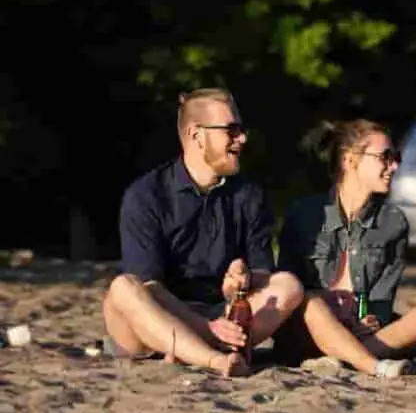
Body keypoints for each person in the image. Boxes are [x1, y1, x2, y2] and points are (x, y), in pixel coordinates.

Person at [102, 88, 304, 377]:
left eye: (241, 130)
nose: (242, 139)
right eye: (232, 131)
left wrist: (241, 283)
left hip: (221, 317)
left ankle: (190, 351)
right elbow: (149, 285)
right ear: (196, 134)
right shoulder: (146, 195)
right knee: (123, 288)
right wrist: (204, 327)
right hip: (158, 321)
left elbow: (263, 274)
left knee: (288, 285)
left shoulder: (249, 195)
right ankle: (214, 359)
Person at [273, 119, 416, 379]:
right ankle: (371, 364)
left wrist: (370, 318)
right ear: (349, 160)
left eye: (395, 157)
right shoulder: (305, 213)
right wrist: (329, 305)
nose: (394, 166)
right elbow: (287, 284)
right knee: (311, 303)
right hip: (311, 327)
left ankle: (345, 357)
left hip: (366, 332)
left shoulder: (393, 221)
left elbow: (381, 300)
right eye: (385, 157)